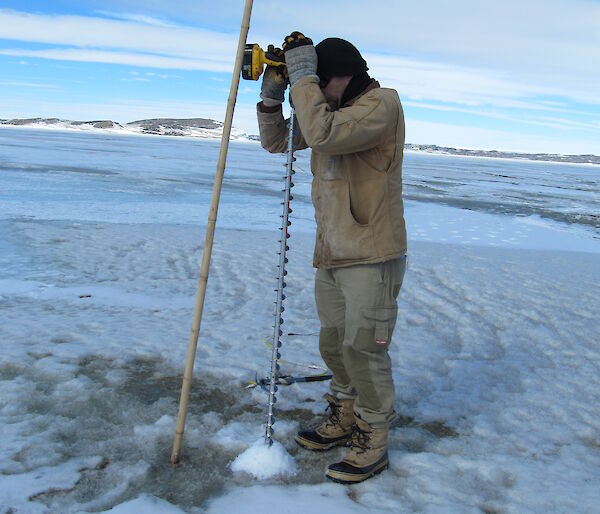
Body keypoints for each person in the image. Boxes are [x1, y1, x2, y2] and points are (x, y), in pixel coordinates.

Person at [256, 32, 407, 484]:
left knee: (365, 349)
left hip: (371, 253)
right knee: (334, 344)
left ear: (342, 77)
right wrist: (271, 93)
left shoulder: (380, 106)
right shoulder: (332, 110)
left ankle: (372, 436)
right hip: (334, 253)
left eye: (320, 82)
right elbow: (278, 141)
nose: (315, 93)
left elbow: (320, 134)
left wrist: (302, 75)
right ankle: (343, 414)